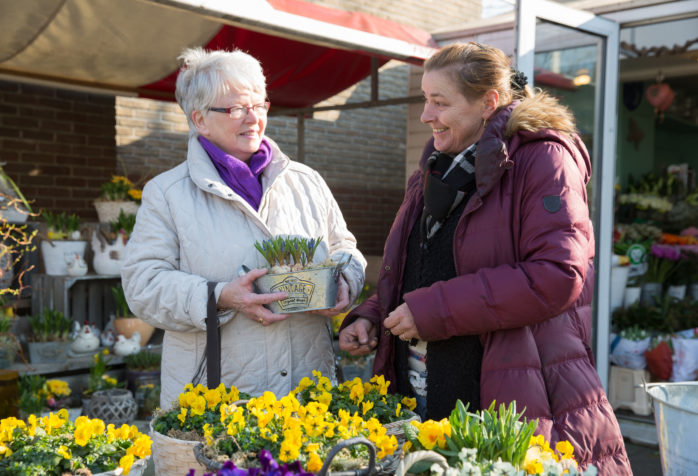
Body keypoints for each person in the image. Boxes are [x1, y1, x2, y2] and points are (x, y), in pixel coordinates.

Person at [338, 42, 631, 474]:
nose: (426, 115)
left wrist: (434, 310)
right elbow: (415, 268)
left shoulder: (543, 158)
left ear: (488, 103)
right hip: (424, 390)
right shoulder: (434, 169)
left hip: (511, 394)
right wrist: (371, 314)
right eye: (425, 99)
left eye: (440, 102)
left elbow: (557, 275)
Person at [122, 47, 366, 408]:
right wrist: (220, 295)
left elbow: (344, 247)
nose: (253, 118)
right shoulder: (168, 193)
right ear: (200, 119)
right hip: (217, 396)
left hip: (308, 393)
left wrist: (344, 282)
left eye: (259, 104)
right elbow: (143, 285)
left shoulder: (306, 181)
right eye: (236, 108)